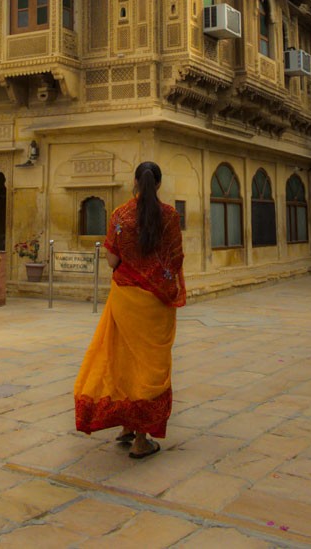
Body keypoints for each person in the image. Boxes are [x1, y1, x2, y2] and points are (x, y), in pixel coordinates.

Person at [74, 161, 185, 460]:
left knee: (122, 361)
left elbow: (111, 261)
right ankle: (140, 438)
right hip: (155, 303)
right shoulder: (171, 217)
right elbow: (174, 260)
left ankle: (126, 426)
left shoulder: (121, 215)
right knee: (148, 366)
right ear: (159, 185)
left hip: (125, 298)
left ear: (134, 181)